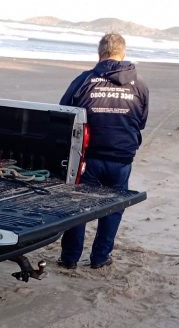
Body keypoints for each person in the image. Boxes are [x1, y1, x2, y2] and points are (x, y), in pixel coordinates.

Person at [58, 33, 148, 270]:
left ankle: (70, 258)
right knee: (113, 207)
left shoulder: (84, 80)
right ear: (123, 53)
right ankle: (100, 257)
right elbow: (140, 121)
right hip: (120, 156)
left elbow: (64, 113)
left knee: (78, 206)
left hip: (89, 157)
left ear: (100, 54)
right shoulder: (139, 86)